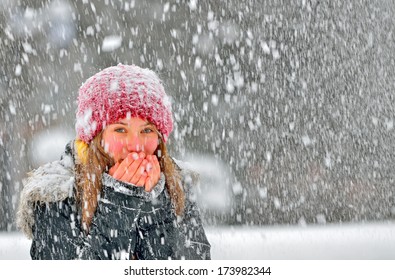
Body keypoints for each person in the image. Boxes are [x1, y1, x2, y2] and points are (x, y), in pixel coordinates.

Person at [16, 64, 211, 260]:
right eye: (120, 130)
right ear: (95, 138)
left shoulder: (175, 184)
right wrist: (119, 202)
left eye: (147, 130)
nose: (136, 145)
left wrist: (155, 202)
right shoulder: (57, 194)